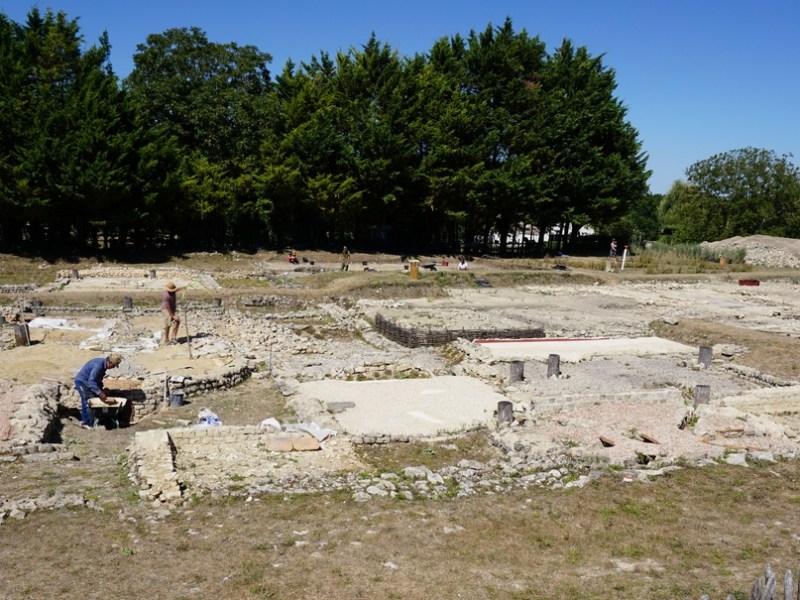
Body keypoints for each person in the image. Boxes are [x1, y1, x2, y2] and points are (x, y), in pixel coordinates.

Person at [74, 353, 122, 429]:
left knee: (93, 401)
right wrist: (100, 392)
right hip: (82, 382)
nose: (113, 368)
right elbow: (92, 381)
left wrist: (101, 390)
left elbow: (97, 380)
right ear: (109, 362)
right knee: (88, 401)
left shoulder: (104, 366)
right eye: (113, 366)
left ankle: (93, 422)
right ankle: (87, 424)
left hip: (88, 383)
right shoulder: (99, 365)